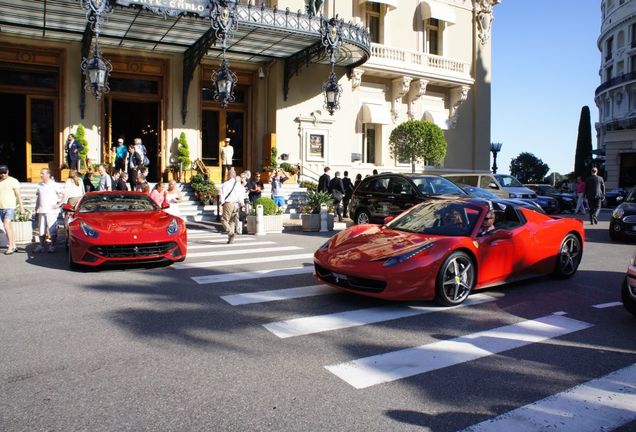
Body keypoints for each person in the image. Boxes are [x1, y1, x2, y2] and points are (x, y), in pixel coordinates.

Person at [34, 168, 62, 253]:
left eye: (43, 173)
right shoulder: (39, 185)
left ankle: (52, 245)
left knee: (52, 230)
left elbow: (65, 195)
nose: (41, 175)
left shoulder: (54, 185)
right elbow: (38, 197)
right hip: (42, 210)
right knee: (41, 229)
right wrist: (36, 208)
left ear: (48, 174)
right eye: (41, 173)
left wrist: (58, 205)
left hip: (51, 211)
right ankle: (41, 245)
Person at [0, 164, 25, 255]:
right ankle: (13, 244)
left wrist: (21, 207)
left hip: (9, 207)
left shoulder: (13, 181)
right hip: (1, 207)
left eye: (4, 172)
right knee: (7, 227)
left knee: (6, 225)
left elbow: (18, 195)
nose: (3, 174)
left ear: (8, 171)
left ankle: (10, 246)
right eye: (1, 173)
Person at [220, 169, 245, 244]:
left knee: (224, 220)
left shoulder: (226, 184)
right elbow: (241, 196)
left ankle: (231, 233)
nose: (227, 176)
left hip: (228, 203)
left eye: (227, 174)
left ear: (230, 175)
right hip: (236, 204)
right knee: (232, 221)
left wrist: (221, 203)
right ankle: (231, 240)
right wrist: (242, 204)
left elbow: (222, 195)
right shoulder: (239, 185)